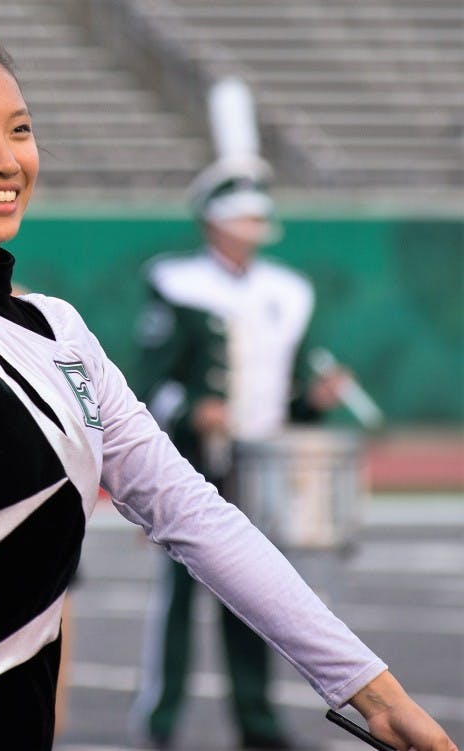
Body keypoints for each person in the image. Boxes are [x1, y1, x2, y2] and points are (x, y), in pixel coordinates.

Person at [0, 30, 457, 751]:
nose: (6, 158)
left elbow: (194, 515)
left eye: (20, 130)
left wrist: (372, 690)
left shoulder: (63, 332)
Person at [125, 154, 352, 749]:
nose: (247, 231)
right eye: (237, 219)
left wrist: (316, 399)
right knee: (178, 598)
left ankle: (257, 720)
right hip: (195, 461)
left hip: (262, 464)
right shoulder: (176, 283)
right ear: (212, 223)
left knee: (256, 593)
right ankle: (161, 720)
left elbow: (289, 395)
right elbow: (147, 382)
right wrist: (190, 409)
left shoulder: (287, 293)